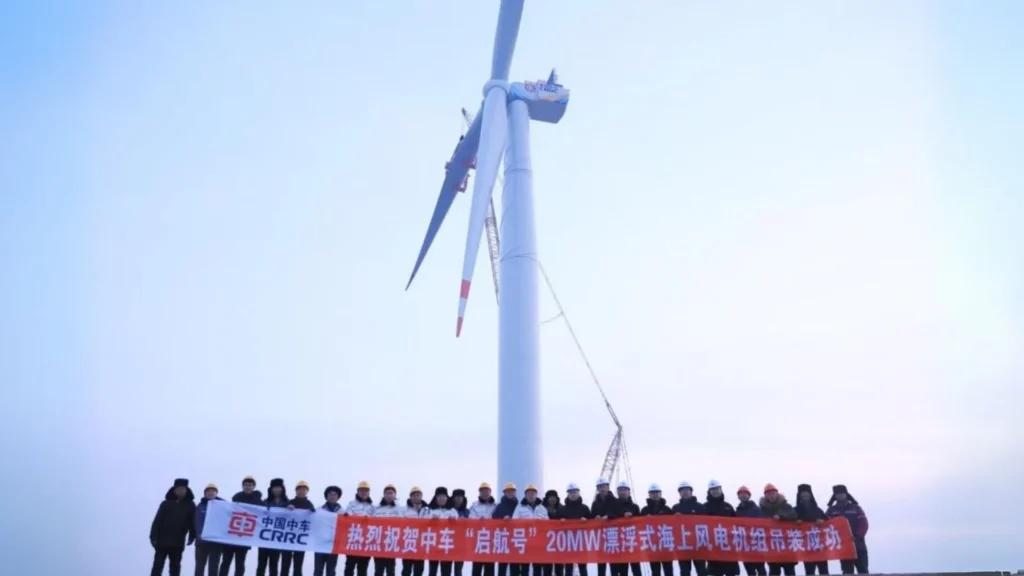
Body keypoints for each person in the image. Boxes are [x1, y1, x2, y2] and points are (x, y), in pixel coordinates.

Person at [151, 478, 197, 576]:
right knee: (157, 566)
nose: (181, 491)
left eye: (183, 489)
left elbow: (192, 522)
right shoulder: (165, 504)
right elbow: (157, 521)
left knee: (175, 567)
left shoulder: (190, 505)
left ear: (186, 490)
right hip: (161, 541)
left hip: (178, 542)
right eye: (178, 489)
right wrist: (153, 537)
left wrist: (191, 537)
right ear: (174, 490)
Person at [221, 476, 263, 576]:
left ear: (254, 487)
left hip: (244, 537)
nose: (248, 487)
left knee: (240, 564)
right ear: (242, 486)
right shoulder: (236, 498)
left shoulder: (258, 501)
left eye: (250, 485)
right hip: (230, 537)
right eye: (246, 485)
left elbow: (264, 513)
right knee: (225, 562)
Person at [825, 485, 868, 575]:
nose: (840, 496)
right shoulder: (831, 510)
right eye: (838, 494)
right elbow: (825, 526)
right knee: (847, 571)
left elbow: (864, 524)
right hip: (844, 546)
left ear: (846, 494)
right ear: (835, 496)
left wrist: (858, 536)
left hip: (858, 545)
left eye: (842, 493)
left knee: (863, 570)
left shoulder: (856, 508)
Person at [759, 484, 797, 576]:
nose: (771, 496)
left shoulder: (786, 506)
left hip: (787, 547)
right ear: (765, 496)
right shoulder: (762, 509)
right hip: (772, 547)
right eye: (768, 494)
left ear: (777, 494)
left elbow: (794, 516)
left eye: (773, 493)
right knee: (774, 572)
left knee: (790, 572)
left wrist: (781, 517)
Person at [703, 481, 738, 576]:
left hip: (729, 547)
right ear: (709, 491)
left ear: (721, 490)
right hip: (713, 548)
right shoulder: (704, 507)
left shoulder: (728, 507)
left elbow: (737, 525)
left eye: (717, 489)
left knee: (731, 572)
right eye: (712, 489)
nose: (715, 491)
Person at [513, 484, 548, 576]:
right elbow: (514, 522)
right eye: (529, 493)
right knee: (525, 568)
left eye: (533, 493)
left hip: (538, 543)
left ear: (536, 495)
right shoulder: (519, 507)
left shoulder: (542, 508)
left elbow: (548, 524)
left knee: (538, 568)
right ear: (525, 495)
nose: (531, 495)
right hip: (525, 542)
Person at [671, 482, 705, 576]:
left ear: (691, 491)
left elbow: (706, 524)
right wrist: (675, 519)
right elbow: (670, 526)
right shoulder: (675, 508)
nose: (685, 492)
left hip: (698, 544)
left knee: (702, 571)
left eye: (687, 490)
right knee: (685, 572)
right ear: (679, 493)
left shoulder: (700, 507)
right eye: (682, 490)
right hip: (683, 546)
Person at [258, 478, 291, 576]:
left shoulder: (287, 503)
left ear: (282, 489)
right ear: (271, 489)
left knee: (274, 565)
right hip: (263, 537)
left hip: (276, 538)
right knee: (261, 565)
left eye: (279, 488)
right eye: (274, 488)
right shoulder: (265, 502)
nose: (276, 490)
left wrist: (292, 509)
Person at [794, 485, 827, 576]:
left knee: (823, 570)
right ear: (799, 496)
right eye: (802, 493)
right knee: (809, 571)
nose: (805, 495)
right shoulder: (795, 510)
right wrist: (795, 522)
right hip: (806, 546)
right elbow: (788, 524)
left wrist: (823, 522)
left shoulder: (818, 510)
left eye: (807, 493)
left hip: (820, 545)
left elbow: (829, 523)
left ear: (811, 495)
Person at [284, 481, 317, 576]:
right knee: (285, 564)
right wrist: (287, 507)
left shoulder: (309, 504)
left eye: (304, 489)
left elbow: (314, 520)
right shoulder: (290, 502)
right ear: (296, 491)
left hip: (300, 539)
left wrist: (313, 512)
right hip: (287, 538)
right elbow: (281, 515)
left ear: (307, 491)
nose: (301, 491)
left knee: (298, 566)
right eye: (299, 489)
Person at [640, 484, 673, 576]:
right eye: (652, 493)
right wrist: (645, 519)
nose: (655, 494)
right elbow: (639, 527)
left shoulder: (667, 510)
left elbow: (674, 526)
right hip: (652, 545)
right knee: (655, 571)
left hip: (666, 545)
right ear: (649, 495)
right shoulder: (644, 510)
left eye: (657, 492)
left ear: (660, 494)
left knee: (669, 571)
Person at [591, 479, 622, 576]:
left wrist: (608, 516)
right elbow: (591, 516)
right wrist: (595, 517)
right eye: (600, 487)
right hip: (600, 538)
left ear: (608, 487)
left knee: (614, 567)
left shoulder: (615, 501)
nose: (602, 489)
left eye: (604, 486)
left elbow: (619, 514)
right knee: (601, 566)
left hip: (613, 537)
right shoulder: (595, 503)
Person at [559, 483, 591, 576]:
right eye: (571, 492)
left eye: (575, 492)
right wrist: (560, 520)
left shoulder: (585, 508)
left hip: (581, 543)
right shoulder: (562, 509)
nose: (573, 494)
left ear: (579, 493)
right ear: (568, 494)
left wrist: (587, 520)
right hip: (567, 543)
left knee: (583, 568)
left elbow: (592, 524)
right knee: (568, 568)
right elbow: (555, 524)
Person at [346, 482, 376, 576]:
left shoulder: (373, 507)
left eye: (366, 491)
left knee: (363, 568)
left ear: (369, 492)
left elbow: (377, 522)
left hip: (366, 542)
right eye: (362, 490)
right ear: (357, 491)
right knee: (349, 567)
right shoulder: (351, 504)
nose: (364, 492)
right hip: (353, 541)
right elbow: (347, 519)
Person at [734, 487, 765, 576]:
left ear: (749, 495)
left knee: (761, 571)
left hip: (756, 545)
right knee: (750, 572)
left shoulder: (755, 509)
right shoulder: (738, 510)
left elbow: (761, 524)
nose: (743, 496)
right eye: (741, 494)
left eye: (745, 494)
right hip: (744, 546)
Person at [428, 487, 459, 576]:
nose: (441, 498)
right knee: (432, 572)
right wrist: (431, 521)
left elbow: (459, 529)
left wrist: (454, 522)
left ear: (447, 498)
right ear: (435, 498)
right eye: (439, 496)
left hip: (447, 546)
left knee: (446, 573)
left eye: (444, 496)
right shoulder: (429, 510)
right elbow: (423, 525)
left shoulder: (453, 511)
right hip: (433, 545)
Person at [195, 484, 225, 576]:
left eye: (213, 491)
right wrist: (199, 533)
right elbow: (196, 520)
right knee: (199, 567)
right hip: (201, 541)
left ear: (216, 493)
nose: (210, 493)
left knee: (213, 567)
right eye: (208, 491)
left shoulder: (223, 505)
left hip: (215, 542)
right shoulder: (200, 506)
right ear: (205, 494)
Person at [314, 486, 344, 576]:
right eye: (330, 494)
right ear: (326, 496)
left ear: (338, 497)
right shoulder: (319, 510)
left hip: (333, 545)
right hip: (320, 545)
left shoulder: (342, 512)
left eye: (335, 495)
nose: (332, 496)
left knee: (331, 571)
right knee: (318, 570)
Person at [469, 483, 497, 576]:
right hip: (478, 542)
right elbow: (470, 519)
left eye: (487, 491)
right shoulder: (474, 505)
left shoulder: (495, 506)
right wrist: (478, 521)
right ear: (479, 492)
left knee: (490, 571)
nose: (485, 493)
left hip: (491, 543)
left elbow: (498, 521)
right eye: (483, 491)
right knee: (476, 571)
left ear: (490, 492)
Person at [492, 483, 520, 576]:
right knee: (502, 569)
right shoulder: (500, 506)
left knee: (515, 569)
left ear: (515, 493)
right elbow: (494, 521)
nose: (510, 493)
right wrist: (503, 520)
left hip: (515, 540)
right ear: (504, 493)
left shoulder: (519, 506)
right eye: (508, 491)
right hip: (503, 540)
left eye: (512, 491)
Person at [375, 485, 402, 576]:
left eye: (391, 493)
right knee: (378, 570)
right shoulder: (377, 509)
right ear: (384, 495)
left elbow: (403, 524)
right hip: (379, 544)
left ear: (395, 495)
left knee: (391, 571)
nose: (389, 495)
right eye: (387, 493)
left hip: (391, 544)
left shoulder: (400, 509)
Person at [402, 487, 430, 576]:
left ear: (421, 496)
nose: (416, 497)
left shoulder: (428, 510)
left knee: (418, 571)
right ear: (410, 497)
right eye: (414, 495)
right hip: (408, 544)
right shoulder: (404, 510)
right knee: (406, 571)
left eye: (418, 495)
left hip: (421, 546)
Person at [615, 482, 642, 576]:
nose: (622, 492)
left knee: (636, 570)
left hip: (633, 543)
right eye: (620, 490)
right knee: (622, 571)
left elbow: (641, 523)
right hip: (619, 544)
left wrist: (632, 516)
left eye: (624, 490)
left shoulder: (635, 507)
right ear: (617, 492)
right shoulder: (613, 506)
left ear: (629, 491)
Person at [538, 489, 563, 576]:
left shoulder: (561, 508)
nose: (552, 499)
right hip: (546, 543)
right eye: (550, 497)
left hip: (559, 543)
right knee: (547, 569)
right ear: (547, 498)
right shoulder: (541, 508)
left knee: (559, 569)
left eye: (554, 497)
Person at [451, 489, 470, 576]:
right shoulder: (448, 511)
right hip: (448, 542)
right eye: (457, 497)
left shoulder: (467, 512)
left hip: (461, 545)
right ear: (453, 499)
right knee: (446, 570)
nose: (459, 499)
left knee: (458, 571)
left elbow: (472, 526)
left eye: (460, 497)